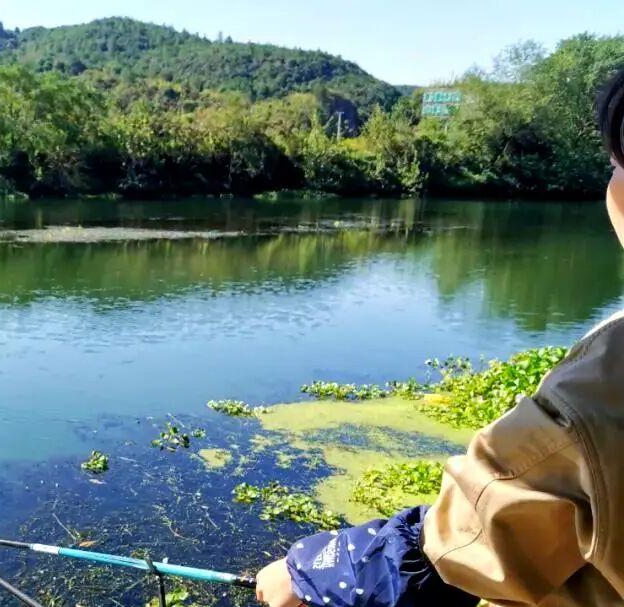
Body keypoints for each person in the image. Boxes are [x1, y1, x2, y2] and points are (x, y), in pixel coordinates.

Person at [253, 69, 624, 607]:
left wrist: (307, 574)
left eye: (616, 165)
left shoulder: (609, 379)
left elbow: (461, 545)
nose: (609, 185)